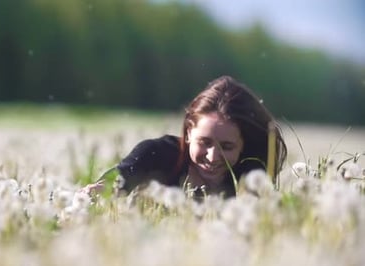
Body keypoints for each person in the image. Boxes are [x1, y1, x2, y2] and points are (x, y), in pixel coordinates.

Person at [85, 75, 287, 200]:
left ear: (243, 145)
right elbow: (121, 177)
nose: (212, 156)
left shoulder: (249, 178)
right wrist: (97, 192)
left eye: (226, 146)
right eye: (205, 142)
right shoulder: (156, 154)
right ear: (189, 132)